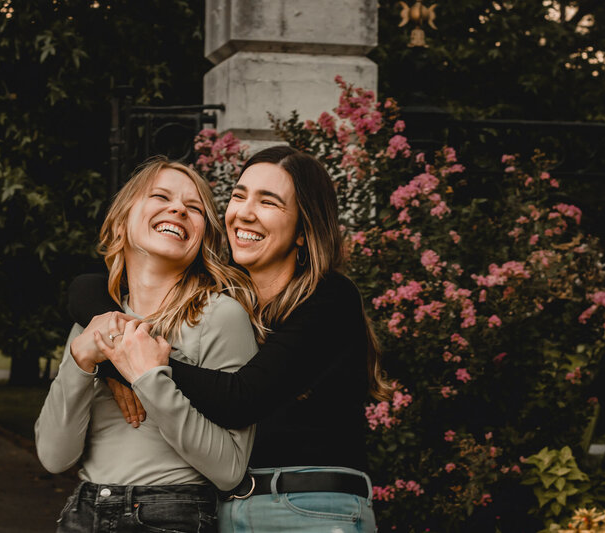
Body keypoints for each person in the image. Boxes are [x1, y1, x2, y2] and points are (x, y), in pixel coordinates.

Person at [73, 145, 391, 532]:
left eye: (268, 202)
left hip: (310, 509)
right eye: (239, 195)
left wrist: (127, 365)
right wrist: (116, 354)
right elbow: (86, 287)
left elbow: (240, 399)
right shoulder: (217, 296)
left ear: (304, 231)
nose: (244, 212)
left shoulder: (330, 298)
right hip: (224, 509)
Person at [35, 157, 262, 533]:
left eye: (195, 208)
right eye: (161, 196)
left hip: (171, 514)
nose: (178, 209)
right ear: (123, 216)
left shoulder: (220, 316)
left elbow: (229, 470)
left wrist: (150, 378)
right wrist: (80, 362)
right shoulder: (93, 323)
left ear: (203, 237)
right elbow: (54, 457)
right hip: (84, 510)